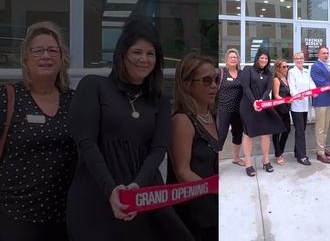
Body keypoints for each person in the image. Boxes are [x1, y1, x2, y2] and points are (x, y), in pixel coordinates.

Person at [67, 19, 192, 241]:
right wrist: (111, 190)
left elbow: (158, 148)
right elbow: (86, 142)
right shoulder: (93, 86)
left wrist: (137, 188)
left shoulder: (160, 100)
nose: (144, 59)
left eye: (150, 53)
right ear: (122, 54)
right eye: (136, 52)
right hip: (96, 192)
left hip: (143, 194)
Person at [0, 22, 75, 241]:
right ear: (26, 59)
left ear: (62, 58)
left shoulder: (75, 100)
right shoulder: (8, 97)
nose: (46, 56)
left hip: (64, 216)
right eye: (38, 50)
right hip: (16, 215)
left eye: (52, 50)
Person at [168, 53, 218, 240]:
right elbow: (182, 172)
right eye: (206, 81)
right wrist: (214, 189)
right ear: (187, 84)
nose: (214, 86)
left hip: (214, 209)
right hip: (197, 214)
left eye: (216, 79)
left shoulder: (212, 116)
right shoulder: (182, 121)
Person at [239, 49, 285, 177]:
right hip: (248, 106)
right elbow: (246, 87)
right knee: (248, 134)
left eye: (266, 58)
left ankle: (265, 160)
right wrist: (254, 101)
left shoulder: (268, 74)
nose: (264, 60)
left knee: (265, 134)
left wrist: (261, 100)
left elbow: (268, 88)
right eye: (262, 58)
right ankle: (248, 163)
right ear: (257, 58)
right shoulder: (248, 70)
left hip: (263, 105)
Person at [310, 46, 330, 164]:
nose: (326, 55)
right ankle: (320, 153)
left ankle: (322, 148)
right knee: (321, 127)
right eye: (323, 53)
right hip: (320, 101)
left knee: (325, 127)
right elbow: (322, 83)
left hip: (327, 101)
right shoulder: (315, 66)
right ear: (318, 54)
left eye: (327, 53)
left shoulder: (325, 65)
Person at [217, 48, 244, 166]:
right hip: (224, 109)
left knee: (238, 134)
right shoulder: (221, 73)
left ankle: (236, 158)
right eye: (231, 57)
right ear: (226, 60)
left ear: (238, 60)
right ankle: (214, 164)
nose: (233, 59)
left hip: (238, 111)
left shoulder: (242, 74)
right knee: (220, 135)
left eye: (235, 57)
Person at [288, 52, 315, 165]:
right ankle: (302, 156)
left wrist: (315, 91)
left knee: (302, 129)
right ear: (294, 60)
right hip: (297, 106)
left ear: (304, 59)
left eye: (301, 58)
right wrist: (298, 95)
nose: (299, 60)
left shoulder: (306, 71)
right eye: (297, 58)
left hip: (305, 106)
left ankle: (297, 151)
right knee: (300, 131)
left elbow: (311, 84)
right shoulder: (291, 72)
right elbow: (292, 88)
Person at [272, 59, 292, 166]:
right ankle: (279, 154)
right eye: (283, 67)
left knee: (287, 129)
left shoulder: (286, 78)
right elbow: (276, 95)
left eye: (287, 66)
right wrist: (285, 101)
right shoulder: (277, 79)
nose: (286, 68)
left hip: (285, 109)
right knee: (277, 132)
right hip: (278, 109)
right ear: (278, 68)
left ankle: (279, 151)